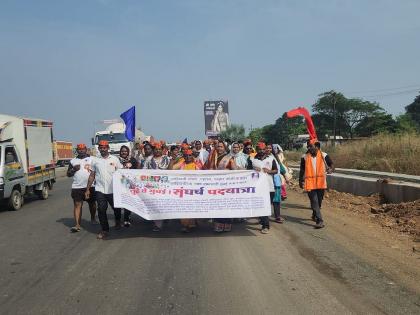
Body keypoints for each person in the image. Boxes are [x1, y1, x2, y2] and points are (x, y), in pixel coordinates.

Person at [85, 140, 123, 239]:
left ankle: (118, 221)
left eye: (104, 147)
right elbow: (92, 175)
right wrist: (88, 189)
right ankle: (105, 230)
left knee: (116, 208)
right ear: (99, 148)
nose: (103, 149)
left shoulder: (115, 159)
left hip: (113, 189)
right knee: (101, 209)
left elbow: (122, 173)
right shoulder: (95, 161)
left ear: (108, 148)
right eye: (101, 147)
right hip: (100, 189)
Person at [299, 140, 334, 229]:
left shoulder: (324, 155)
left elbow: (331, 164)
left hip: (321, 183)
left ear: (317, 147)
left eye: (311, 146)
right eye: (308, 146)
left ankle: (315, 214)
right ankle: (320, 221)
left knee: (319, 201)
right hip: (310, 183)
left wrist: (330, 169)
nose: (309, 148)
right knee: (314, 201)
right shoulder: (304, 157)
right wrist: (301, 181)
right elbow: (302, 170)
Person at [207, 141, 237, 232]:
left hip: (227, 184)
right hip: (216, 185)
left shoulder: (229, 158)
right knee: (218, 205)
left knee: (226, 204)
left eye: (221, 146)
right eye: (218, 146)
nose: (219, 148)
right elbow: (211, 168)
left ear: (225, 148)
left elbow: (234, 169)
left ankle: (227, 223)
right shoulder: (214, 157)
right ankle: (219, 223)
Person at [170, 149, 203, 232]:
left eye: (190, 155)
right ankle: (185, 225)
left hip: (195, 190)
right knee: (184, 207)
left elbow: (204, 176)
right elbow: (171, 170)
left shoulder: (197, 164)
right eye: (186, 156)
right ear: (183, 157)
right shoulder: (181, 163)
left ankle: (192, 223)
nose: (188, 157)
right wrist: (172, 160)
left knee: (193, 207)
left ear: (192, 156)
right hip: (183, 190)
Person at [67, 143, 97, 233]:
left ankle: (93, 218)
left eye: (83, 149)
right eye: (79, 149)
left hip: (91, 186)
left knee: (92, 204)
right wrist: (73, 170)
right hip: (77, 187)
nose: (81, 150)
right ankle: (77, 225)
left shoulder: (92, 159)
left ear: (86, 149)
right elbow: (68, 174)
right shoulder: (73, 161)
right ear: (77, 150)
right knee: (77, 205)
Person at [249, 142, 278, 234]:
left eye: (263, 149)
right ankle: (265, 225)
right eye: (259, 149)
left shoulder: (271, 158)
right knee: (260, 205)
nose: (261, 151)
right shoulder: (251, 159)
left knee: (267, 205)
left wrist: (269, 171)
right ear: (256, 149)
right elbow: (247, 171)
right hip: (257, 187)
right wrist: (253, 170)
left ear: (265, 149)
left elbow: (276, 170)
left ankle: (264, 222)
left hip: (269, 186)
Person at [118, 145, 139, 227]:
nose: (124, 152)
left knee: (128, 201)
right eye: (122, 151)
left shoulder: (132, 160)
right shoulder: (117, 160)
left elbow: (137, 171)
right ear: (120, 152)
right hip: (119, 184)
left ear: (128, 152)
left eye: (125, 151)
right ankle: (118, 220)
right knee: (119, 202)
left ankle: (126, 219)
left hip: (129, 184)